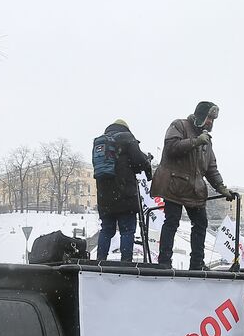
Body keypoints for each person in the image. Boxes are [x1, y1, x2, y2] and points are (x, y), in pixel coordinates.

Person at [150, 101, 236, 270]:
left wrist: (221, 188)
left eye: (213, 119)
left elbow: (211, 168)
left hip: (194, 189)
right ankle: (164, 262)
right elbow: (171, 148)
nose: (211, 122)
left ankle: (197, 263)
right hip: (173, 186)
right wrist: (196, 141)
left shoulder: (207, 141)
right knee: (172, 221)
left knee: (201, 223)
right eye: (209, 117)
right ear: (201, 116)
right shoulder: (179, 125)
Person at [93, 120, 154, 263]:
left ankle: (100, 261)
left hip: (104, 198)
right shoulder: (127, 137)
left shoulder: (100, 143)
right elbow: (139, 161)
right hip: (125, 195)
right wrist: (147, 160)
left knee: (106, 229)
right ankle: (126, 263)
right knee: (127, 230)